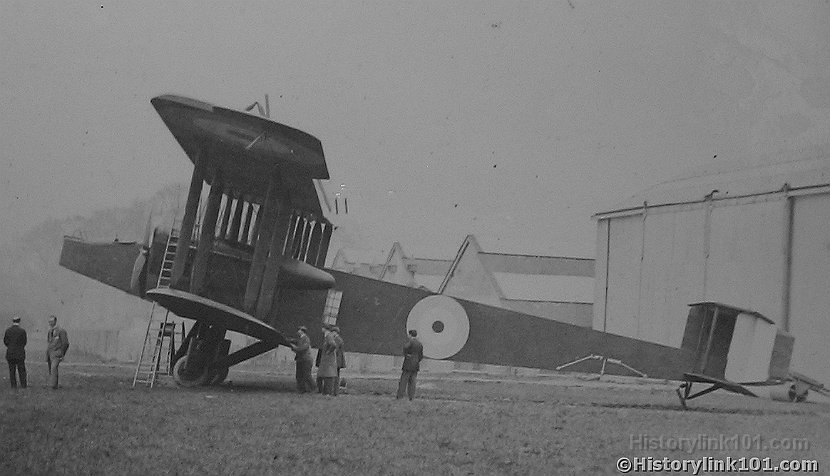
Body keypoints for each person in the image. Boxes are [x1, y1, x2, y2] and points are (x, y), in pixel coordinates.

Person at [396, 329, 424, 401]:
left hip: (408, 365)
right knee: (413, 382)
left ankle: (400, 396)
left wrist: (407, 355)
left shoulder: (410, 342)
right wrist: (417, 360)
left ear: (410, 335)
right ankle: (411, 397)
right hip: (416, 365)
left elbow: (405, 347)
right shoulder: (420, 344)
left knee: (403, 381)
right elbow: (421, 356)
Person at [289, 326, 315, 393]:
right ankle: (301, 389)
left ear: (302, 331)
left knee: (307, 375)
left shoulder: (306, 339)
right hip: (300, 359)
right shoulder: (300, 338)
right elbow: (294, 341)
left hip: (306, 360)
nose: (298, 331)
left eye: (299, 330)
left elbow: (303, 348)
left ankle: (314, 388)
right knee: (299, 375)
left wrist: (294, 347)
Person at [46, 315, 69, 389]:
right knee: (51, 369)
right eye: (49, 321)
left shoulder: (61, 331)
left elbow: (65, 343)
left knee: (53, 368)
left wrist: (62, 353)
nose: (50, 323)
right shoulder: (50, 331)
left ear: (55, 321)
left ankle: (53, 386)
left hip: (57, 353)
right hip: (50, 353)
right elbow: (49, 342)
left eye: (52, 321)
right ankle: (53, 384)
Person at [4, 316, 27, 389]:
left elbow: (5, 341)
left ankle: (13, 385)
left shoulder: (8, 330)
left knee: (12, 371)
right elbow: (24, 342)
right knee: (21, 370)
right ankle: (23, 385)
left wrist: (10, 346)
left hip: (10, 353)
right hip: (20, 353)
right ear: (19, 321)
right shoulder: (22, 331)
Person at [317, 325, 339, 396]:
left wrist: (328, 352)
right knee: (326, 376)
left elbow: (333, 345)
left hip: (329, 360)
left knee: (328, 376)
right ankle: (326, 392)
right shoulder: (327, 336)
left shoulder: (328, 336)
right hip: (327, 360)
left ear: (324, 329)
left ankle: (328, 392)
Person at [331, 326, 346, 395]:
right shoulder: (339, 339)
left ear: (335, 332)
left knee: (336, 377)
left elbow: (335, 350)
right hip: (338, 360)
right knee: (336, 376)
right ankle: (334, 391)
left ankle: (335, 392)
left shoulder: (337, 339)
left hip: (337, 360)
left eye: (333, 332)